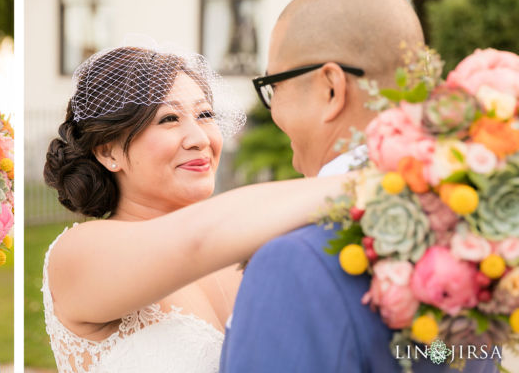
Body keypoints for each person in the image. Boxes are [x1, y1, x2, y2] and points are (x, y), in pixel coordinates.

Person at [220, 0, 499, 372]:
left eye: (273, 86)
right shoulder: (480, 238)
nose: (273, 107)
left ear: (331, 88)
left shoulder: (295, 263)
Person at [40, 44, 354, 373]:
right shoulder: (77, 254)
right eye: (169, 119)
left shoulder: (250, 253)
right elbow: (196, 240)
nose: (199, 138)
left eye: (205, 115)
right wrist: (361, 184)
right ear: (108, 152)